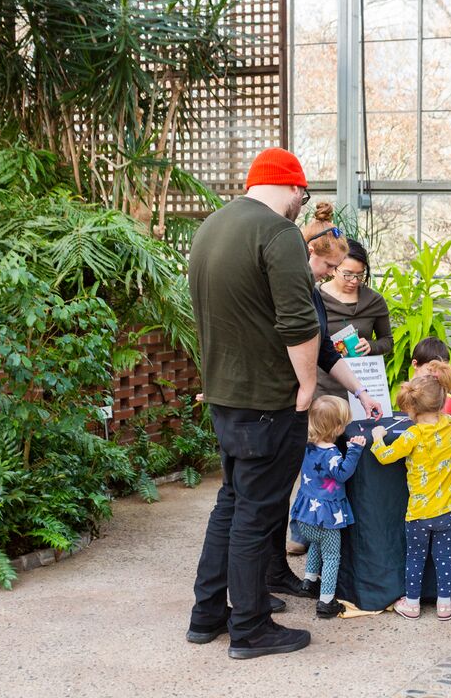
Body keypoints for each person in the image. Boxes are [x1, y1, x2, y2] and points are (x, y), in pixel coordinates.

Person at [185, 147, 318, 659]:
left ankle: (208, 614)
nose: (301, 207)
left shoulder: (210, 227)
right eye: (302, 197)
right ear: (290, 187)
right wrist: (305, 387)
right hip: (268, 399)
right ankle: (251, 628)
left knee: (233, 503)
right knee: (257, 514)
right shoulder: (278, 233)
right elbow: (297, 321)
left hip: (225, 397)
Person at [281, 214, 384, 561]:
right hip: (310, 393)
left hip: (341, 388)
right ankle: (302, 530)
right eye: (334, 267)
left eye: (356, 273)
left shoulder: (320, 291)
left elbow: (324, 347)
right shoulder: (302, 291)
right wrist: (308, 385)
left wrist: (360, 392)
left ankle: (331, 527)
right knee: (310, 465)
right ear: (310, 253)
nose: (337, 275)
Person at [370, 370, 451, 621]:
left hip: (419, 514)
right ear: (442, 402)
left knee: (415, 559)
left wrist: (378, 439)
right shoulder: (449, 424)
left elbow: (385, 456)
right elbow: (446, 418)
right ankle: (444, 605)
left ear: (411, 408)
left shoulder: (413, 435)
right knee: (444, 558)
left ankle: (412, 603)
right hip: (448, 510)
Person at [288, 395, 365, 619]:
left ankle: (309, 582)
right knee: (332, 556)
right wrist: (355, 450)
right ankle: (326, 601)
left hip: (307, 514)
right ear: (338, 427)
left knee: (315, 545)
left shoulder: (308, 446)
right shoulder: (331, 452)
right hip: (327, 517)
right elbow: (342, 473)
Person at [315, 217, 393, 401]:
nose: (354, 281)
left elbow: (387, 341)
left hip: (363, 385)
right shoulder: (316, 296)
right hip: (322, 387)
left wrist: (371, 346)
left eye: (360, 275)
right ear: (334, 269)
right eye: (348, 274)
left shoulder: (374, 301)